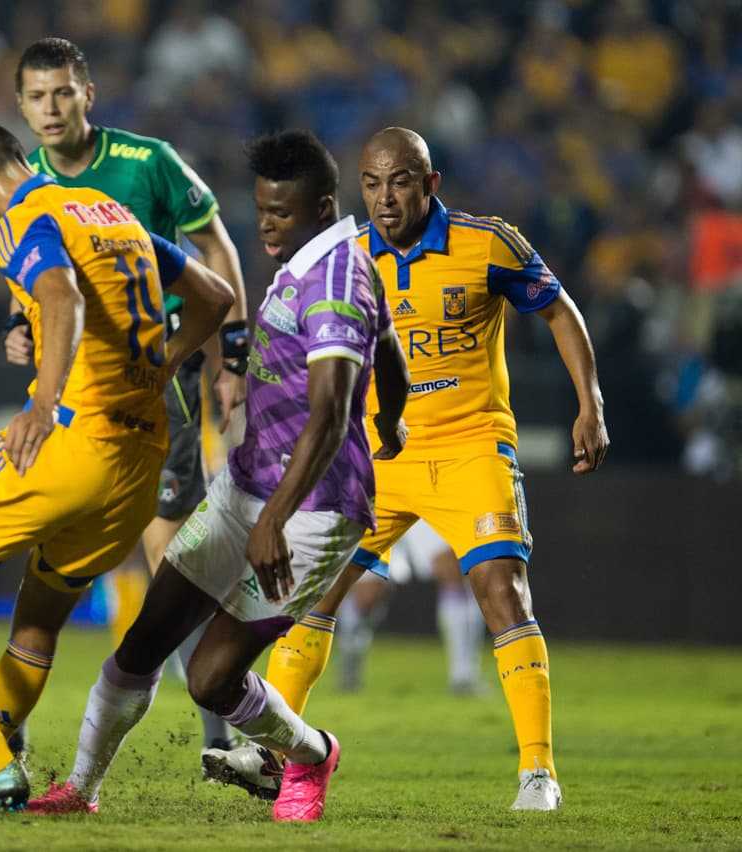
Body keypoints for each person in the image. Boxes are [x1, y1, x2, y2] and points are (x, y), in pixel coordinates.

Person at [213, 126, 608, 811]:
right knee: (311, 597)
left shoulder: (488, 243)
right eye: (371, 184)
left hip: (472, 446)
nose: (385, 198)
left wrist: (591, 403)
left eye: (399, 182)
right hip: (378, 456)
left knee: (501, 591)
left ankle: (538, 773)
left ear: (430, 184)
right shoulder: (344, 259)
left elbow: (559, 310)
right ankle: (275, 755)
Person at [23, 129, 409, 822]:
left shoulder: (335, 281)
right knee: (143, 642)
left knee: (211, 678)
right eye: (261, 210)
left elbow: (327, 418)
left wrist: (273, 521)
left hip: (313, 509)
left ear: (322, 207)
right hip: (247, 486)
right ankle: (79, 790)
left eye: (281, 213)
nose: (266, 225)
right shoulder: (316, 258)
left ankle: (313, 754)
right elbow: (388, 349)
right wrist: (391, 420)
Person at [0, 120, 234, 817]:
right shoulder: (110, 213)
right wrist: (168, 361)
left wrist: (43, 404)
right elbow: (217, 295)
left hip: (74, 441)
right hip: (140, 463)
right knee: (39, 617)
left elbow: (62, 294)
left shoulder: (23, 217)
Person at [5, 35, 250, 759]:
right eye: (37, 97)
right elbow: (34, 278)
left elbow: (219, 252)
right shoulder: (23, 182)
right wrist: (18, 326)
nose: (51, 108)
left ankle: (216, 735)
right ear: (21, 106)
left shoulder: (148, 162)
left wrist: (231, 358)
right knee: (46, 543)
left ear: (88, 94)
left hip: (156, 379)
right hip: (73, 389)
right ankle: (5, 732)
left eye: (62, 92)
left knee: (170, 554)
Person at [331, 520, 488, 694]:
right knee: (369, 595)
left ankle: (463, 675)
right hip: (382, 507)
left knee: (452, 568)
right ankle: (350, 654)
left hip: (425, 508)